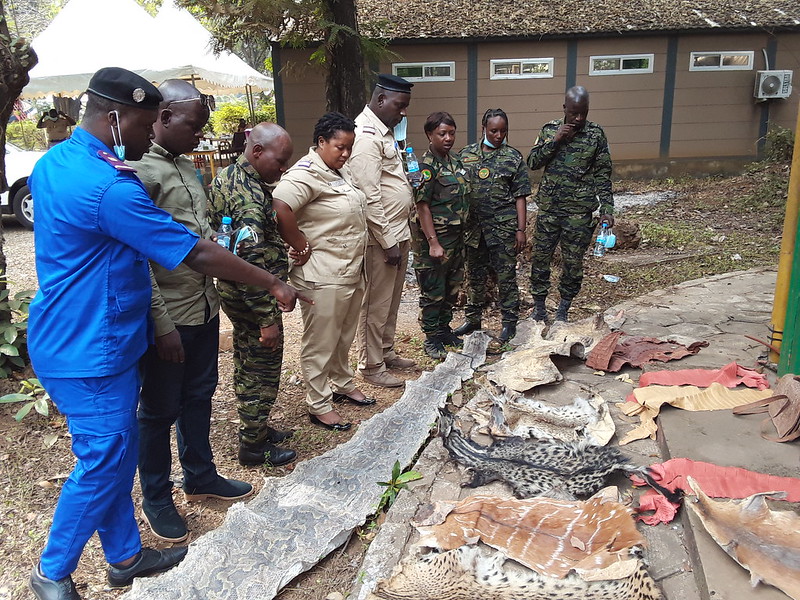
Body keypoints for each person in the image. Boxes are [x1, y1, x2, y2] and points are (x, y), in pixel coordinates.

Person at [26, 67, 308, 600]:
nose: (149, 129)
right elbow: (195, 251)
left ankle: (125, 556)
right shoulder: (110, 185)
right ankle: (52, 569)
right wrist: (273, 283)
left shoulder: (58, 161)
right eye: (144, 120)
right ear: (115, 117)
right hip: (90, 345)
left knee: (113, 451)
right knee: (105, 459)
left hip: (79, 334)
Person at [130, 79, 253, 545]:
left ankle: (200, 475)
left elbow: (195, 233)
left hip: (203, 305)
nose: (200, 135)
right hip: (170, 315)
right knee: (159, 410)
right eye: (193, 125)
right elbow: (137, 258)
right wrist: (162, 325)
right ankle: (157, 496)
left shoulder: (185, 166)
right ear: (162, 117)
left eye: (203, 127)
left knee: (200, 394)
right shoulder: (141, 173)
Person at [208, 122, 299, 467]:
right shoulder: (246, 196)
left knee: (247, 362)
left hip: (238, 293)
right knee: (260, 366)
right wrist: (267, 319)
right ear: (258, 151)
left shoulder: (232, 176)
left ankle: (256, 428)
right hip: (253, 296)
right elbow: (248, 257)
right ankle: (253, 447)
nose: (283, 167)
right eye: (280, 160)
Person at [272, 112, 371, 431]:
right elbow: (280, 207)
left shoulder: (340, 171)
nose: (345, 153)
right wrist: (299, 243)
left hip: (349, 269)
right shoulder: (306, 173)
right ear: (321, 143)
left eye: (349, 147)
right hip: (322, 274)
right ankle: (318, 402)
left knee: (343, 335)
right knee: (322, 341)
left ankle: (341, 382)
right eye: (339, 147)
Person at [350, 74, 417, 388]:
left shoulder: (385, 132)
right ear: (380, 100)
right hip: (381, 237)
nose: (403, 112)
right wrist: (388, 241)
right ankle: (371, 363)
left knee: (390, 300)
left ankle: (386, 350)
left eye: (405, 106)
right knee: (375, 302)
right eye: (399, 105)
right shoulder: (365, 135)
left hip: (398, 231)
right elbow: (369, 194)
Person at [527, 86, 614, 323]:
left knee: (573, 263)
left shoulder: (596, 135)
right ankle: (539, 308)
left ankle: (563, 310)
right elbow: (533, 162)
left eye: (583, 113)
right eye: (574, 113)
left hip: (578, 213)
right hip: (549, 210)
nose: (578, 118)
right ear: (565, 108)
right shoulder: (549, 130)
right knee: (540, 259)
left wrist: (607, 210)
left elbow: (603, 174)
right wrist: (555, 141)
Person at [454, 108, 531, 344]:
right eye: (494, 130)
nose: (499, 135)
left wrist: (521, 229)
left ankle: (509, 322)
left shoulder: (513, 157)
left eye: (503, 131)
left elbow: (520, 196)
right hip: (474, 230)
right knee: (475, 277)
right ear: (483, 129)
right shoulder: (465, 156)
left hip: (503, 229)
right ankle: (473, 319)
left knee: (506, 277)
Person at [411, 111, 470, 360]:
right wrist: (433, 242)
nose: (448, 138)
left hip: (456, 238)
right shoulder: (425, 167)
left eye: (451, 133)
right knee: (433, 290)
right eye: (442, 134)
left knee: (451, 288)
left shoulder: (454, 161)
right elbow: (422, 205)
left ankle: (445, 331)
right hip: (434, 241)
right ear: (429, 135)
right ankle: (432, 338)